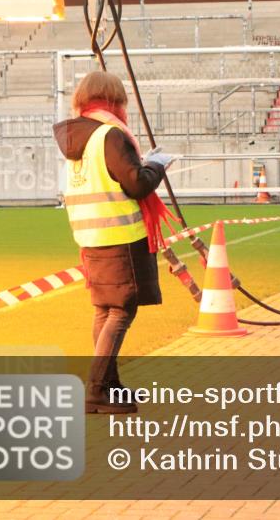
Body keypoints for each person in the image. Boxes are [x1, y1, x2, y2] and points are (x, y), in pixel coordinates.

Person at [54, 71, 176, 414]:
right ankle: (97, 387)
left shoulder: (78, 137)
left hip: (90, 236)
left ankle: (108, 386)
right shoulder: (110, 135)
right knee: (121, 310)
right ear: (113, 100)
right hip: (121, 236)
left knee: (104, 309)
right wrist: (157, 165)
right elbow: (136, 184)